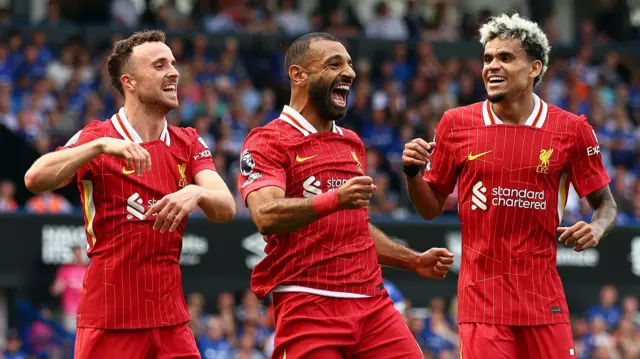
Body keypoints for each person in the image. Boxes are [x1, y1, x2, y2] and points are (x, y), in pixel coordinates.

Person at [402, 13, 618, 359]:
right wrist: (413, 173)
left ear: (535, 68)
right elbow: (429, 209)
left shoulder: (571, 129)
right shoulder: (456, 124)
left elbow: (606, 204)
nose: (492, 66)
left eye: (505, 57)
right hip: (482, 305)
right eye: (487, 58)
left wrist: (596, 228)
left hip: (544, 303)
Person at [237, 32, 454, 359]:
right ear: (299, 75)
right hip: (308, 303)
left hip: (373, 303)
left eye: (350, 65)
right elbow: (265, 215)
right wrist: (335, 199)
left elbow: (355, 227)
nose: (350, 73)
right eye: (334, 64)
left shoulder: (351, 142)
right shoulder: (267, 140)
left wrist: (413, 260)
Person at [24, 30, 236, 359]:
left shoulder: (188, 142)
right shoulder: (100, 137)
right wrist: (97, 147)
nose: (174, 72)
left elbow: (225, 207)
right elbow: (35, 178)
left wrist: (195, 192)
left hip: (171, 322)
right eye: (160, 65)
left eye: (174, 64)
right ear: (130, 82)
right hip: (110, 320)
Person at [50, 244, 87, 333]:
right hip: (70, 312)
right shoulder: (65, 269)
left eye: (79, 253)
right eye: (75, 253)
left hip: (87, 313)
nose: (77, 256)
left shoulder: (89, 269)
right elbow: (55, 291)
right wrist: (57, 287)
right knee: (71, 339)